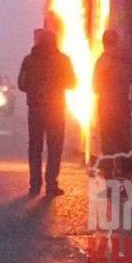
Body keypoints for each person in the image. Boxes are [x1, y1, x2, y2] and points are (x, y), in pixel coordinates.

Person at [17, 28, 77, 196]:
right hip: (56, 110)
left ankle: (34, 185)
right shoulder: (63, 60)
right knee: (55, 148)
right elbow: (73, 83)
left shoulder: (28, 60)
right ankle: (51, 184)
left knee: (35, 147)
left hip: (35, 109)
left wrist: (35, 87)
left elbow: (21, 84)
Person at [92, 29, 132, 169]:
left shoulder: (101, 62)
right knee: (125, 146)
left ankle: (111, 184)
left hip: (106, 111)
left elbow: (94, 88)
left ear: (104, 43)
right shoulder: (129, 60)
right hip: (124, 109)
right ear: (117, 42)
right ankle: (126, 181)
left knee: (108, 148)